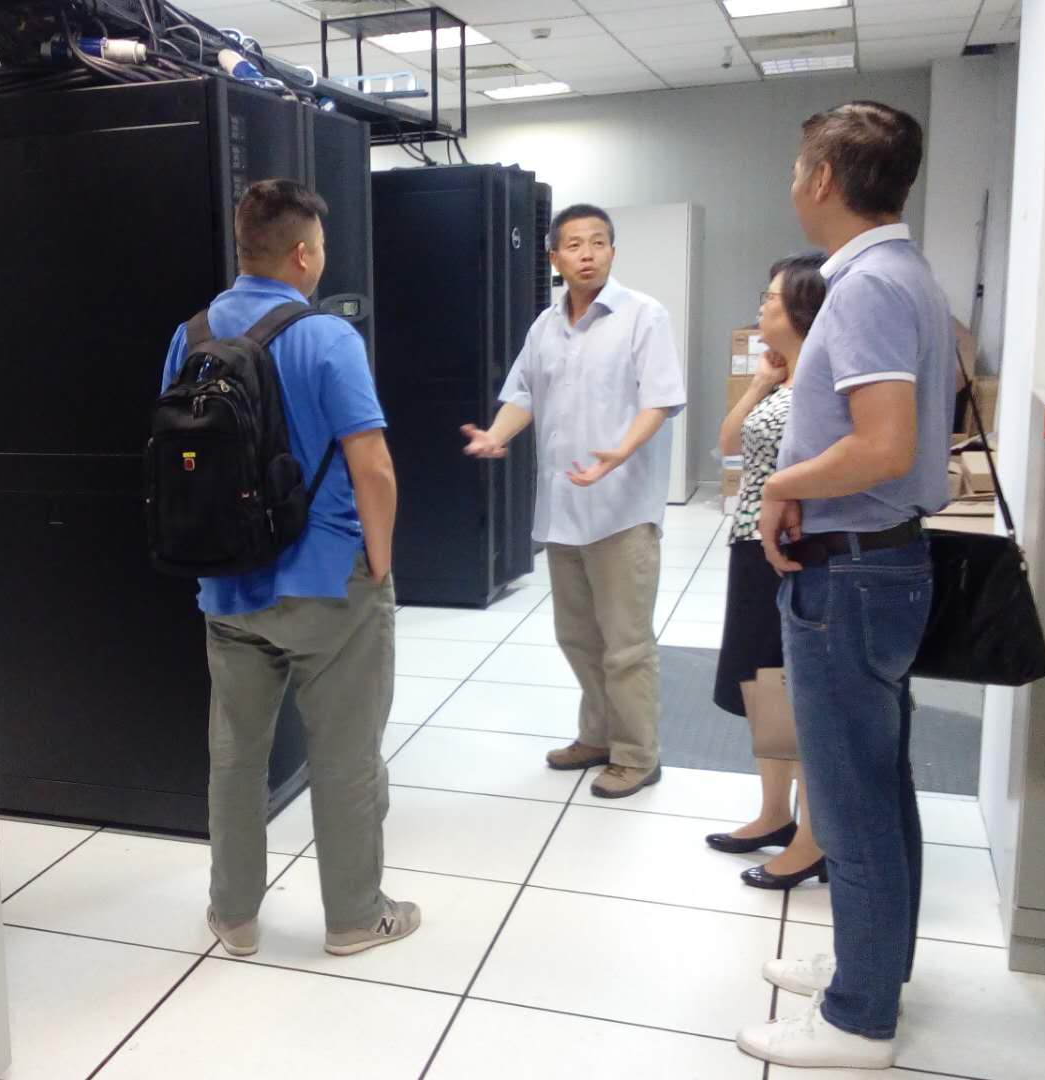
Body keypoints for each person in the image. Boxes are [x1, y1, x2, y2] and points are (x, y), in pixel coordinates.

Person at [735, 102, 954, 1071]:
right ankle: (876, 965)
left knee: (853, 800)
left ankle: (859, 1018)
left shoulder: (865, 287)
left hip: (851, 575)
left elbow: (883, 445)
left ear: (823, 179)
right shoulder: (905, 275)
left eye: (798, 167)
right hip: (879, 565)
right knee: (881, 787)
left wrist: (782, 484)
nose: (793, 182)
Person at [161, 179, 417, 959]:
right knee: (344, 756)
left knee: (236, 760)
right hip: (328, 580)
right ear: (303, 254)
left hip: (225, 582)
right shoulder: (328, 337)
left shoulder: (190, 334)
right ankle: (354, 918)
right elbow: (372, 464)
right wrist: (379, 562)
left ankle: (234, 917)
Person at [461, 203, 686, 800]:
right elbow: (523, 394)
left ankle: (637, 755)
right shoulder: (545, 326)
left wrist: (620, 452)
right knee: (578, 636)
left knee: (626, 643)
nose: (588, 254)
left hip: (622, 509)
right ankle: (599, 735)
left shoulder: (643, 316)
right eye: (575, 244)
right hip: (563, 509)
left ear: (612, 250)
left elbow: (661, 400)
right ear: (554, 256)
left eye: (599, 242)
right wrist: (496, 436)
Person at [707, 252, 830, 890]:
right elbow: (729, 443)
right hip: (751, 545)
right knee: (764, 686)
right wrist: (759, 383)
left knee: (795, 691)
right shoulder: (786, 380)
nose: (761, 305)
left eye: (771, 298)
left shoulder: (825, 383)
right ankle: (775, 813)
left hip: (791, 551)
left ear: (804, 308)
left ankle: (814, 838)